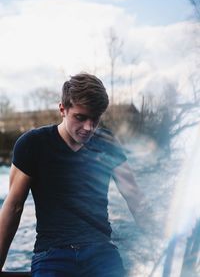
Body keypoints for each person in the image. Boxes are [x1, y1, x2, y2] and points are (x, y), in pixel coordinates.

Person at [0, 73, 152, 276]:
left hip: (101, 251)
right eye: (80, 117)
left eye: (95, 119)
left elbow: (135, 198)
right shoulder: (32, 144)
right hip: (52, 253)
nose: (89, 127)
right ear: (62, 109)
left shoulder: (107, 144)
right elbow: (14, 207)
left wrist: (163, 243)